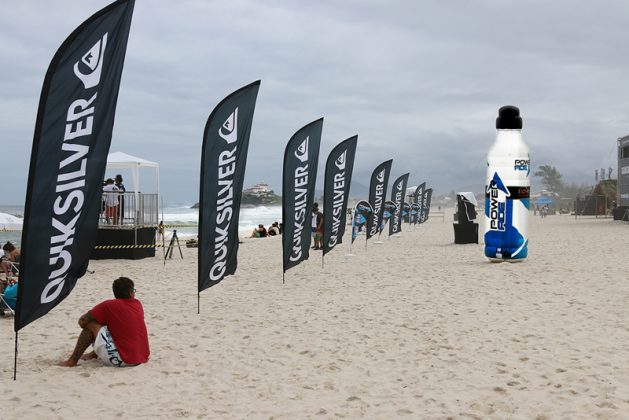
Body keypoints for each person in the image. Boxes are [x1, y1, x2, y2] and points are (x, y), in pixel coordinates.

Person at [59, 277, 150, 367]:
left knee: (91, 324)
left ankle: (72, 361)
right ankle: (94, 354)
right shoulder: (137, 304)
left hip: (123, 360)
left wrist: (93, 331)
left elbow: (82, 321)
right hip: (141, 358)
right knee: (110, 324)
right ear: (130, 293)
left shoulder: (108, 305)